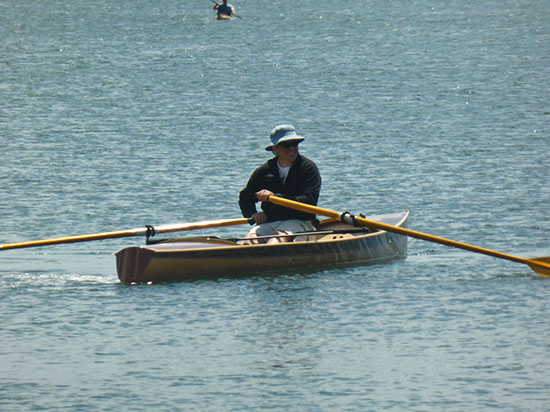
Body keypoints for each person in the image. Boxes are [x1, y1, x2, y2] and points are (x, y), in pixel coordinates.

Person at [239, 125, 322, 244]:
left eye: (295, 144)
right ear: (275, 149)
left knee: (275, 240)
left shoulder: (308, 168)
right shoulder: (264, 171)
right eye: (286, 145)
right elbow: (245, 197)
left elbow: (310, 200)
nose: (292, 148)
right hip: (271, 221)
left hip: (301, 221)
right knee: (248, 241)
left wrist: (276, 198)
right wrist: (253, 214)